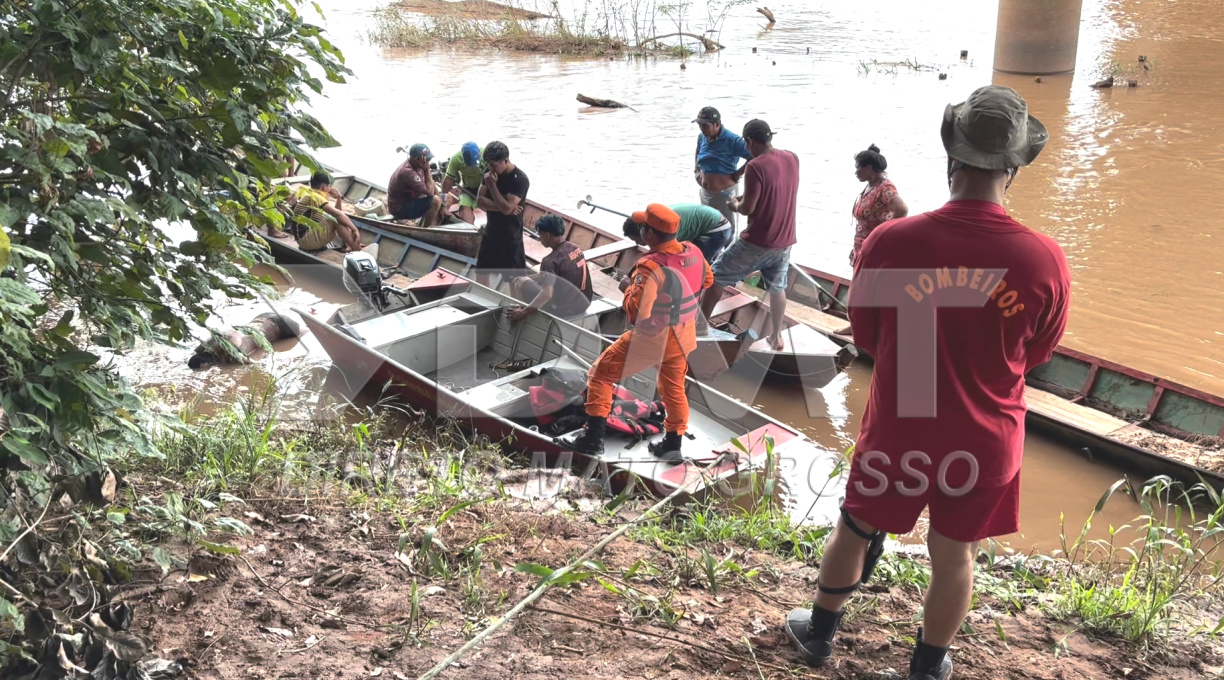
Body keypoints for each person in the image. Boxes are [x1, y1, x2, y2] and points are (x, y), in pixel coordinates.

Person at [784, 86, 1071, 680]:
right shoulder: (1044, 259)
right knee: (954, 552)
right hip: (986, 434)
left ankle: (818, 634)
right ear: (1013, 168)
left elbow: (865, 336)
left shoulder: (892, 241)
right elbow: (1036, 353)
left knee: (857, 524)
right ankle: (927, 666)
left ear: (950, 159)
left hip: (901, 424)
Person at [563, 204, 713, 461]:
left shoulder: (649, 267)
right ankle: (672, 445)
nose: (640, 230)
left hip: (651, 339)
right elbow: (707, 281)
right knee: (674, 389)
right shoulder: (693, 250)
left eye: (643, 227)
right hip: (683, 336)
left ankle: (593, 439)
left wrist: (627, 288)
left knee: (600, 376)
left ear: (650, 234)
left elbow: (636, 313)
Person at [697, 119, 798, 352]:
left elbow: (748, 208)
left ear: (750, 141)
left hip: (757, 240)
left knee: (714, 278)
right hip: (785, 238)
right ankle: (775, 337)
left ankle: (698, 327)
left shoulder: (755, 166)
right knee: (777, 287)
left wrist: (733, 203)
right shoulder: (792, 157)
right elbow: (773, 193)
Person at [508, 215, 594, 321]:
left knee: (521, 282)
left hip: (564, 310)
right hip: (584, 303)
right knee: (522, 279)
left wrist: (523, 313)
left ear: (547, 235)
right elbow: (547, 275)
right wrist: (527, 277)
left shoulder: (549, 261)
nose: (539, 238)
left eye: (540, 234)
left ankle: (520, 311)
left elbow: (547, 294)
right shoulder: (574, 248)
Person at [475, 141, 530, 287]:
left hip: (510, 236)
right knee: (481, 274)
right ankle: (484, 302)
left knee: (515, 281)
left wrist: (492, 186)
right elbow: (480, 201)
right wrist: (505, 208)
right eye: (488, 164)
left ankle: (516, 309)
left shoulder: (520, 180)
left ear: (505, 160)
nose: (490, 168)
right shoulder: (488, 174)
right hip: (491, 231)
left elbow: (506, 208)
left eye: (494, 164)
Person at [693, 106, 752, 232]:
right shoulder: (702, 137)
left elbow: (753, 157)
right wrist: (697, 171)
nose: (702, 129)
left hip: (725, 193)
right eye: (700, 125)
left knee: (727, 229)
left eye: (705, 125)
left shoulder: (733, 140)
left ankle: (729, 252)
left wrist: (738, 173)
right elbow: (698, 152)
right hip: (705, 192)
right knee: (707, 227)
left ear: (717, 124)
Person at [849, 144, 908, 266]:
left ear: (869, 168)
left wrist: (881, 234)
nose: (855, 172)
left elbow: (902, 210)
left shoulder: (884, 188)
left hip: (874, 250)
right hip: (861, 249)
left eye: (858, 167)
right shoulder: (870, 186)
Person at [282, 171, 362, 252]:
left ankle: (351, 245)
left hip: (305, 239)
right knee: (337, 219)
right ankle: (355, 248)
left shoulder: (312, 193)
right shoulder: (315, 196)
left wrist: (338, 198)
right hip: (305, 240)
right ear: (324, 187)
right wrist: (355, 229)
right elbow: (338, 215)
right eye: (329, 186)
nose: (330, 188)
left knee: (339, 218)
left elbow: (338, 213)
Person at [622, 203, 731, 263]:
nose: (637, 244)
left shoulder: (667, 228)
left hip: (716, 229)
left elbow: (666, 255)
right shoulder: (655, 219)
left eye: (636, 240)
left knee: (693, 263)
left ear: (644, 231)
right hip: (707, 223)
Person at [387, 143, 444, 226]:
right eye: (427, 160)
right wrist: (427, 170)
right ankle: (426, 229)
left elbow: (431, 183)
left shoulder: (421, 165)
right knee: (435, 200)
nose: (428, 162)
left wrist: (442, 206)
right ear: (417, 159)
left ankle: (435, 218)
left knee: (447, 198)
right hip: (400, 208)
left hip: (414, 200)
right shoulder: (408, 172)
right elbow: (430, 194)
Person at [442, 141, 485, 224]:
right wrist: (443, 204)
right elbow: (448, 181)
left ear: (479, 153)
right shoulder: (456, 159)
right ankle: (470, 231)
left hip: (487, 190)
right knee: (465, 214)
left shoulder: (486, 155)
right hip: (468, 190)